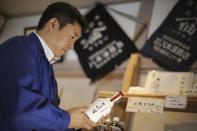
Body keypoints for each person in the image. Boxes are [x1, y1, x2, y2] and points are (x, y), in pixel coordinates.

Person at [0, 2, 108, 131]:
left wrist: (81, 122)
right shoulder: (19, 48)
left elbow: (45, 122)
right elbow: (22, 111)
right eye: (72, 37)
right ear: (53, 24)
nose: (72, 47)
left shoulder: (46, 64)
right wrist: (68, 119)